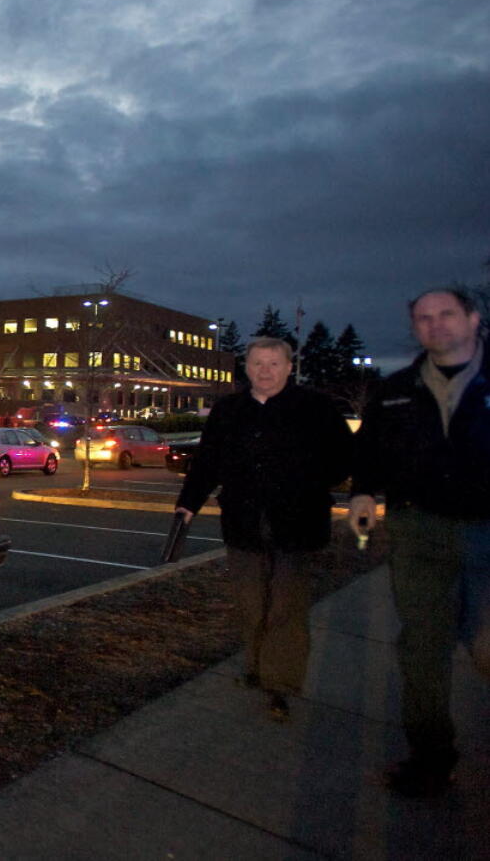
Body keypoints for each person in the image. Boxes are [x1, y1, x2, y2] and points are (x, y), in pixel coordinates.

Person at [348, 287, 490, 797]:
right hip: (420, 532)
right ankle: (431, 759)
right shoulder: (395, 390)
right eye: (424, 318)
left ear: (473, 319)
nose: (436, 325)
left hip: (486, 532)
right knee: (422, 650)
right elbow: (369, 452)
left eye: (447, 314)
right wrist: (363, 492)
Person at [176, 336, 353, 720]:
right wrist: (188, 502)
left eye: (274, 363)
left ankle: (280, 683)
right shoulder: (229, 410)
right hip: (243, 523)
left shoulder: (315, 408)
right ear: (247, 368)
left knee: (286, 608)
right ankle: (256, 667)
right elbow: (207, 461)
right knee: (251, 605)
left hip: (298, 524)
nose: (265, 371)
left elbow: (343, 458)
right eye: (258, 363)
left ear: (290, 367)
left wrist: (309, 481)